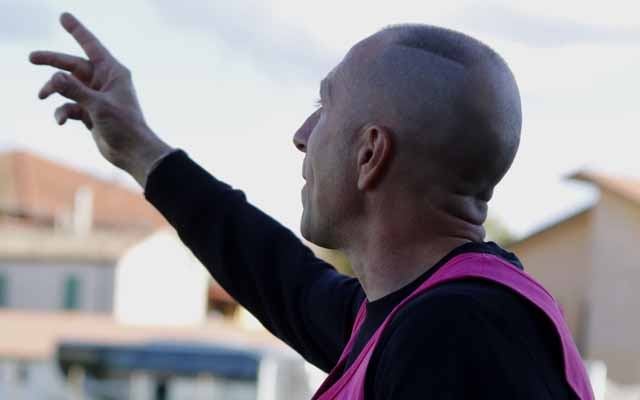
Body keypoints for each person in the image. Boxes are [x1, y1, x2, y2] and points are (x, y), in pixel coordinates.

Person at [30, 13, 594, 399]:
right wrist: (141, 151)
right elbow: (279, 276)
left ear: (370, 153)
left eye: (323, 107)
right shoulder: (414, 316)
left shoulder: (458, 335)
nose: (302, 136)